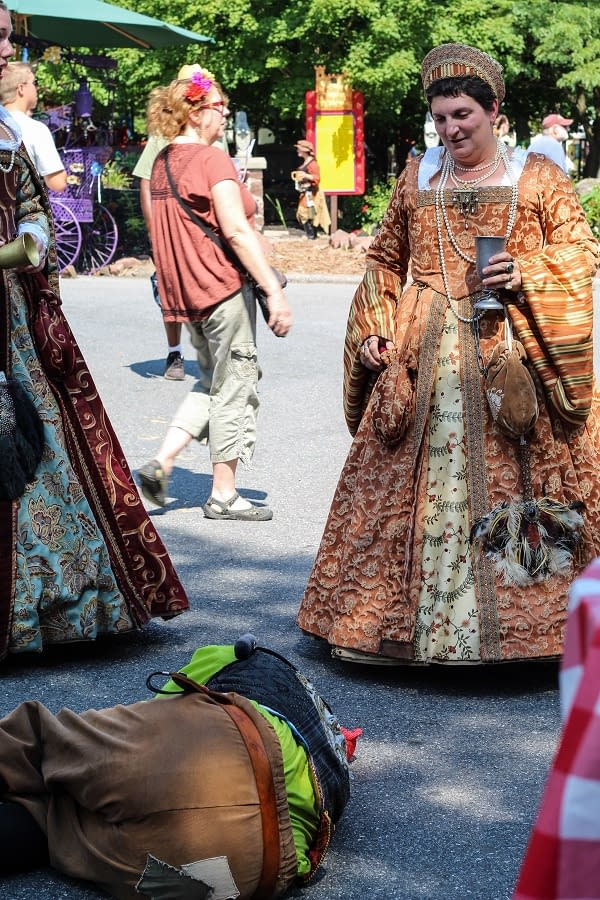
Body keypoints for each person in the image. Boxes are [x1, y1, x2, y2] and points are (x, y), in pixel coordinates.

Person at [296, 42, 600, 665]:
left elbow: (583, 251)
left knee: (533, 475)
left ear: (494, 113)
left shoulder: (537, 177)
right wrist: (378, 326)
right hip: (423, 340)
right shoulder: (418, 176)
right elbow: (384, 258)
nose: (450, 128)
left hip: (512, 348)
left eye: (462, 114)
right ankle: (387, 623)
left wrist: (529, 270)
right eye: (440, 117)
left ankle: (535, 634)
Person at [0, 3, 188, 660]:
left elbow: (33, 208)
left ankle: (47, 606)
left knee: (29, 440)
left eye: (5, 34)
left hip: (10, 315)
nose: (3, 46)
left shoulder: (11, 131)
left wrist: (28, 243)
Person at [0, 639, 353, 899]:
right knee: (61, 830)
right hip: (237, 878)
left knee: (45, 741)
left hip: (222, 749)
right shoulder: (332, 760)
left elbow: (155, 713)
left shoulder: (230, 657)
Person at [137, 68, 291, 521]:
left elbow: (157, 229)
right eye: (220, 107)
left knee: (212, 380)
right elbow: (238, 233)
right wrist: (273, 292)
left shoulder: (162, 162)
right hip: (222, 290)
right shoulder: (211, 161)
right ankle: (223, 493)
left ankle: (162, 461)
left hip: (187, 294)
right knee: (236, 386)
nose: (224, 115)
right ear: (198, 110)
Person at [132, 64, 206, 381]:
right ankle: (175, 352)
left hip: (203, 228)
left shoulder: (211, 130)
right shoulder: (162, 134)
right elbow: (146, 181)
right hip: (170, 225)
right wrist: (154, 229)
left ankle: (212, 352)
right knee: (169, 290)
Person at [0, 61, 66, 193]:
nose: (37, 88)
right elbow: (57, 183)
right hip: (19, 209)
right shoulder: (35, 129)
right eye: (34, 83)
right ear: (21, 88)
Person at [293, 138, 331, 239]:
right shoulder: (306, 162)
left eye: (299, 149)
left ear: (304, 151)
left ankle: (312, 236)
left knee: (309, 214)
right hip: (304, 192)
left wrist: (305, 175)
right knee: (305, 213)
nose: (297, 151)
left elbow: (317, 178)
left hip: (312, 193)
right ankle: (310, 235)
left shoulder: (313, 164)